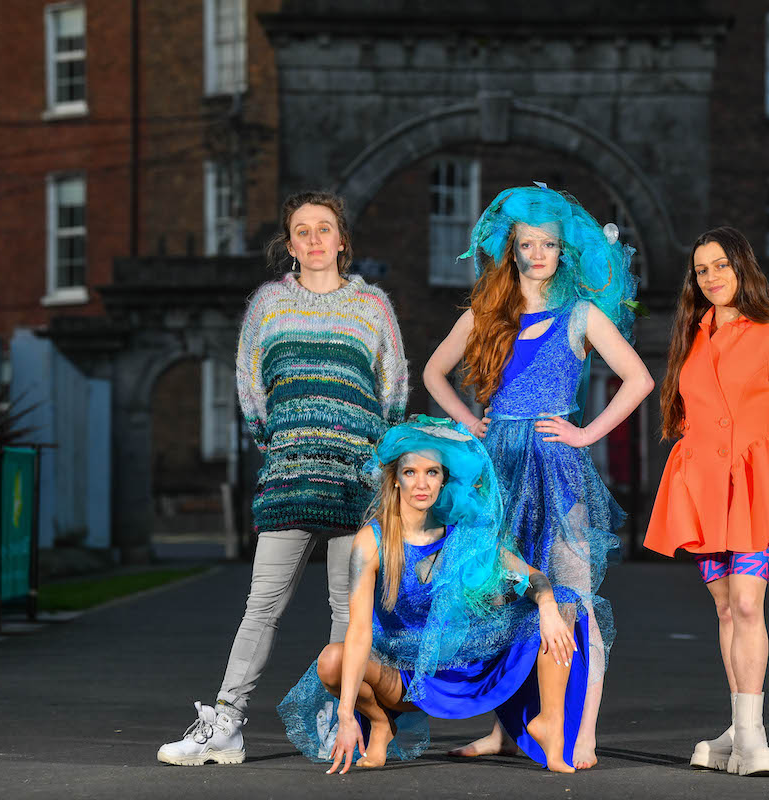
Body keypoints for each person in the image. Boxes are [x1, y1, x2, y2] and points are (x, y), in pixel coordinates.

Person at [157, 191, 409, 766]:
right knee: (262, 603)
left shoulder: (373, 307)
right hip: (289, 478)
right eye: (303, 230)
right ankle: (224, 723)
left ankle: (337, 720)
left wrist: (367, 455)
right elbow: (251, 392)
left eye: (325, 229)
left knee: (348, 611)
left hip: (356, 482)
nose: (315, 239)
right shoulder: (268, 305)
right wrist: (289, 443)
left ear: (342, 241)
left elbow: (392, 393)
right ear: (289, 243)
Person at [423, 184, 654, 769]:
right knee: (498, 598)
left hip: (556, 465)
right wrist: (471, 422)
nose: (538, 253)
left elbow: (639, 380)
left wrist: (585, 433)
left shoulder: (581, 313)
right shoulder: (487, 312)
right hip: (497, 469)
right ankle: (505, 729)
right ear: (514, 251)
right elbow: (432, 373)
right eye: (527, 244)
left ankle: (584, 734)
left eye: (548, 243)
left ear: (561, 250)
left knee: (573, 593)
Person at [278, 416, 586, 774]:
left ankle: (549, 725)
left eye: (432, 473)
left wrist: (546, 603)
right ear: (394, 480)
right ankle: (380, 723)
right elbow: (359, 631)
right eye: (411, 473)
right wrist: (345, 715)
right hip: (403, 677)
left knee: (561, 602)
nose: (421, 483)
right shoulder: (372, 542)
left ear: (443, 481)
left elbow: (532, 576)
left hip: (461, 664)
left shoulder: (463, 536)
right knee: (331, 661)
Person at [643, 227, 769, 777]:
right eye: (702, 270)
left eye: (722, 265)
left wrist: (754, 442)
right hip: (703, 484)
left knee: (749, 605)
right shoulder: (689, 336)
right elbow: (680, 413)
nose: (712, 277)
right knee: (725, 608)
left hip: (751, 485)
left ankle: (752, 737)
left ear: (743, 268)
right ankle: (735, 727)